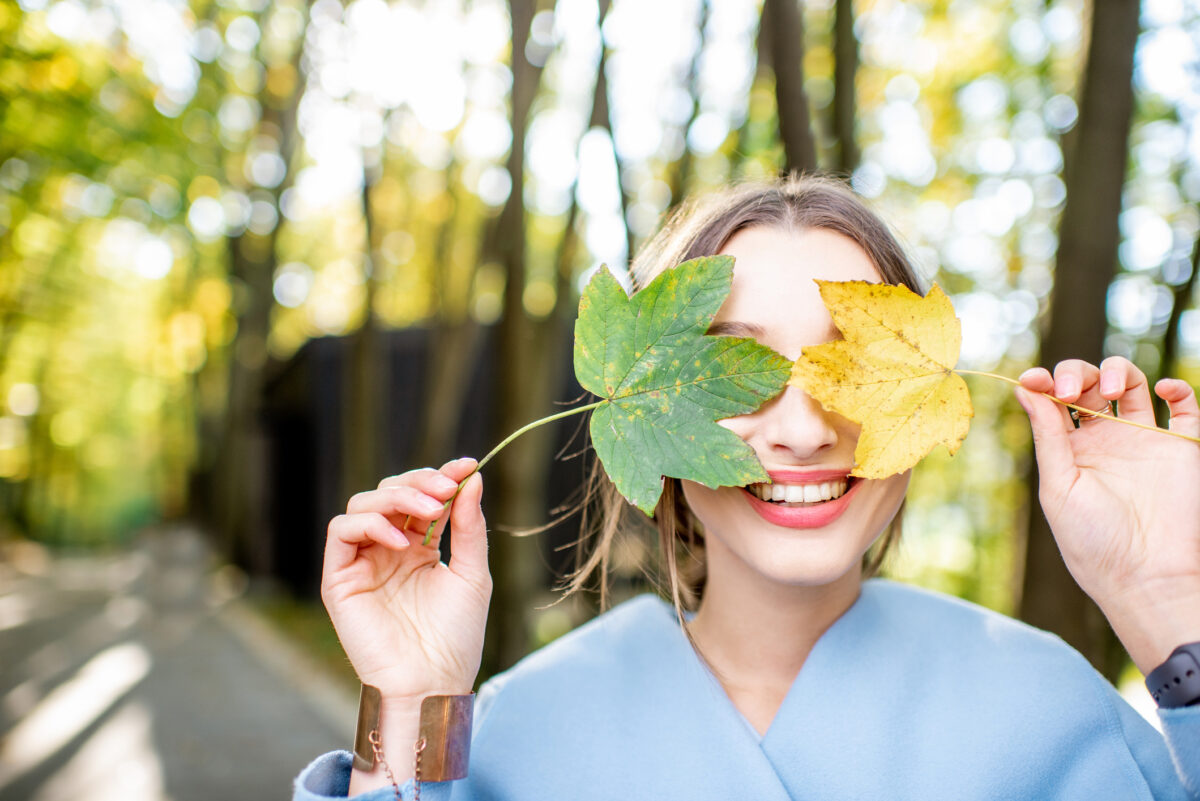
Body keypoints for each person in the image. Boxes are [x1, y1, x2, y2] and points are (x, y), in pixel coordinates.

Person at [295, 175, 1200, 800]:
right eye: (737, 369)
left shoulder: (1050, 708)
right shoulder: (506, 730)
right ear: (649, 411)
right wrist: (412, 704)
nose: (804, 428)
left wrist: (1174, 610)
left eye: (850, 366)